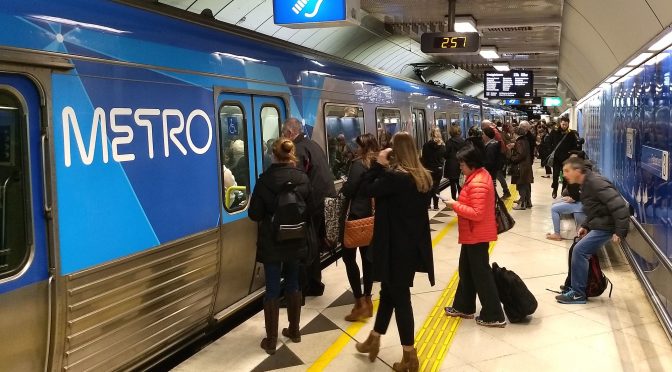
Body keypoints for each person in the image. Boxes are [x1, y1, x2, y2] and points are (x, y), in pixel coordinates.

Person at [355, 132, 435, 372]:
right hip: (410, 248)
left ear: (396, 152)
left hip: (392, 248)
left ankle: (410, 356)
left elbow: (365, 189)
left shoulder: (395, 179)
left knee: (400, 300)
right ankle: (375, 338)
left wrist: (378, 165)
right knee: (389, 293)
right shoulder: (423, 177)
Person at [248, 138, 313, 354]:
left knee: (273, 287)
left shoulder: (265, 180)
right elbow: (310, 208)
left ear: (273, 155)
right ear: (292, 154)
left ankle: (271, 340)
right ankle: (294, 331)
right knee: (293, 283)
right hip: (296, 239)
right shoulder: (302, 178)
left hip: (272, 241)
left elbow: (254, 214)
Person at [443, 144, 506, 328]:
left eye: (462, 165)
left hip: (477, 234)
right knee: (467, 271)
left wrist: (454, 205)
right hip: (473, 234)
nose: (460, 168)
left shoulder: (478, 182)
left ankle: (494, 315)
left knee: (481, 275)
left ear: (471, 164)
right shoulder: (478, 175)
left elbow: (477, 213)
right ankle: (464, 306)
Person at [555, 157, 629, 304]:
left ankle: (578, 294)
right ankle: (573, 286)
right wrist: (586, 226)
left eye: (567, 171)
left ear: (577, 171)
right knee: (576, 249)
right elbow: (595, 209)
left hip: (607, 226)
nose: (565, 175)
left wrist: (620, 232)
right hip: (601, 223)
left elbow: (619, 206)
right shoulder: (586, 183)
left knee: (580, 251)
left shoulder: (595, 183)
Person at [283, 118, 337, 297]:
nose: (283, 137)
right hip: (325, 202)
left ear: (290, 133)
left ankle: (303, 289)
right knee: (313, 246)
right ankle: (315, 285)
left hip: (313, 204)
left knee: (305, 248)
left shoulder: (297, 150)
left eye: (284, 133)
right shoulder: (312, 144)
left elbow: (297, 179)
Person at [340, 133, 378, 322]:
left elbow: (350, 189)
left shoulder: (358, 164)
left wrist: (343, 188)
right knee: (368, 259)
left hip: (355, 217)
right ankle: (369, 299)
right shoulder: (378, 163)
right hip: (371, 217)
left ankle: (359, 301)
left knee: (348, 258)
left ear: (363, 147)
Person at [549, 116, 580, 199]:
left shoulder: (571, 134)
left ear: (568, 124)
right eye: (563, 124)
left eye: (566, 125)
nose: (564, 126)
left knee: (565, 177)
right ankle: (554, 190)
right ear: (560, 123)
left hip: (566, 159)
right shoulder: (554, 132)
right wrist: (551, 151)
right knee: (555, 176)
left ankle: (563, 192)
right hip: (556, 158)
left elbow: (574, 146)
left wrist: (571, 153)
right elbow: (549, 142)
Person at [481, 121, 511, 198]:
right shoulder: (495, 131)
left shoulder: (492, 134)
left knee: (498, 176)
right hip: (499, 156)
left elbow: (490, 159)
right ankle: (504, 193)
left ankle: (505, 192)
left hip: (497, 159)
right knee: (498, 176)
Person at [421, 127, 447, 210]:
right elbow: (444, 157)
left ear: (430, 134)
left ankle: (428, 205)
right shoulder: (442, 146)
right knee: (436, 186)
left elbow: (423, 157)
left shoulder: (425, 145)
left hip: (428, 169)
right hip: (438, 169)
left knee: (429, 187)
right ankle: (436, 205)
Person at [510, 126, 533, 210]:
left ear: (516, 134)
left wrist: (512, 158)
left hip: (521, 167)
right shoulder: (525, 140)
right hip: (525, 165)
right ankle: (528, 201)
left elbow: (520, 154)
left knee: (521, 184)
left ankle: (522, 203)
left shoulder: (519, 142)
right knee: (526, 184)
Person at [443, 125, 466, 200]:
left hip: (451, 165)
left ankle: (453, 199)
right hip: (461, 165)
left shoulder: (448, 142)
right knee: (460, 183)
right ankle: (461, 199)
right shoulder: (463, 141)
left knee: (452, 184)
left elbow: (445, 154)